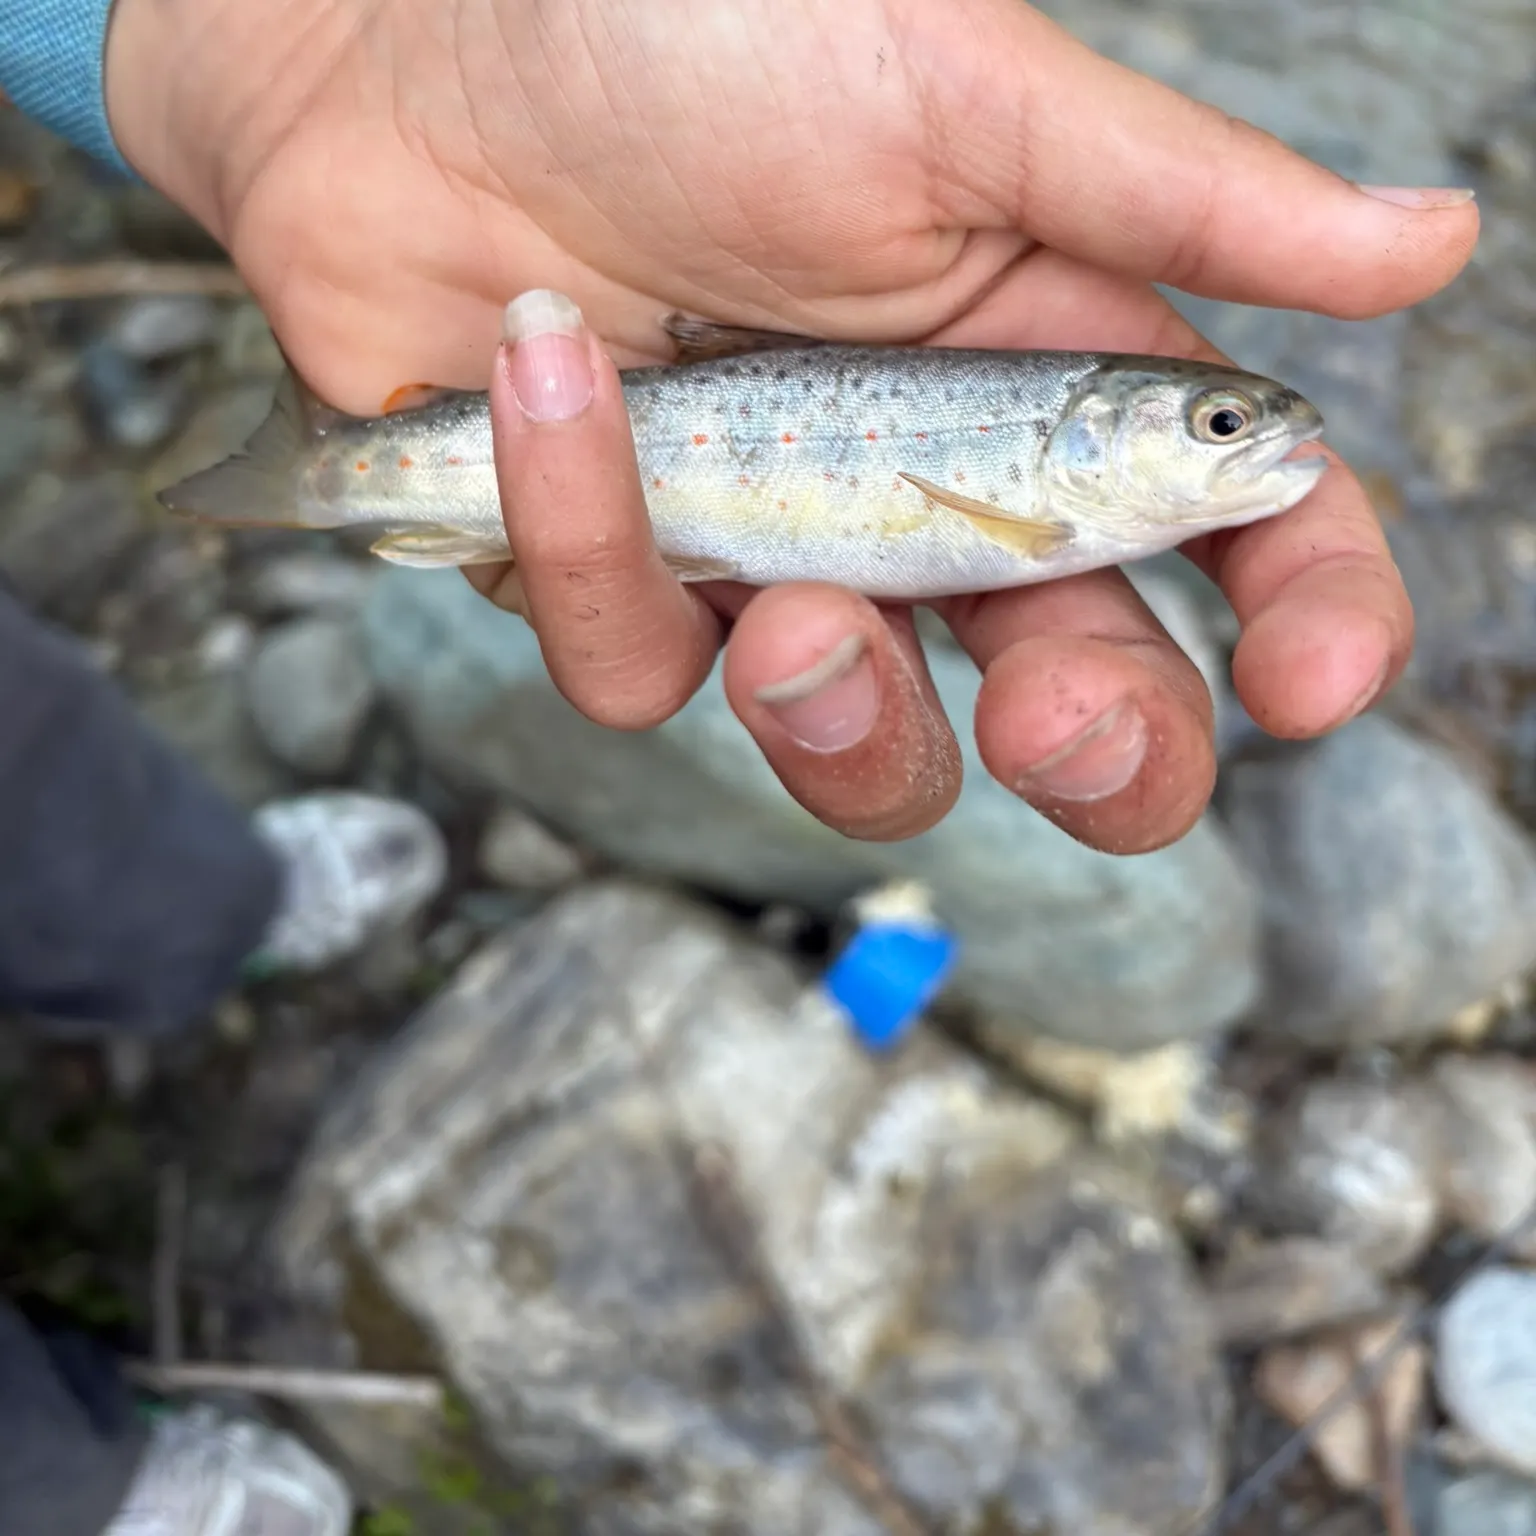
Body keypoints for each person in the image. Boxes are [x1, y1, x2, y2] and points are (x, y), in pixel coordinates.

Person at [0, 0, 1480, 1531]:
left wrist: (274, 55)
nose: (1262, 436)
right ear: (1099, 438)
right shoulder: (1061, 499)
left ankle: (193, 909)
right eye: (1223, 420)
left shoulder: (1087, 499)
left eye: (1234, 418)